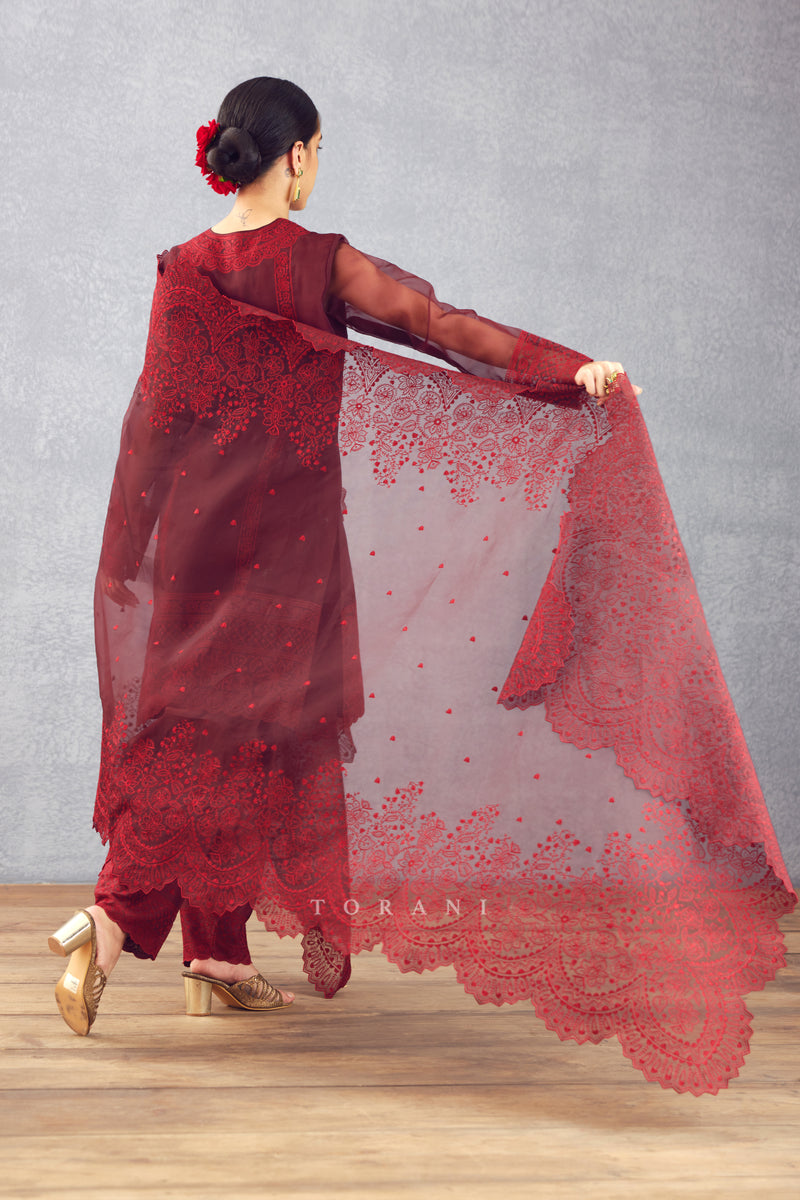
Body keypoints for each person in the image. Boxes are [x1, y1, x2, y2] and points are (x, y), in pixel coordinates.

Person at [50, 78, 794, 1094]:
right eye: (319, 152)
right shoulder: (315, 260)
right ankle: (109, 919)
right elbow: (437, 326)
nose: (317, 167)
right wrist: (569, 371)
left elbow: (156, 421)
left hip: (188, 553)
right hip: (285, 557)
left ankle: (214, 961)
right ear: (297, 156)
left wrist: (137, 561)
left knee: (202, 735)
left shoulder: (180, 269)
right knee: (258, 742)